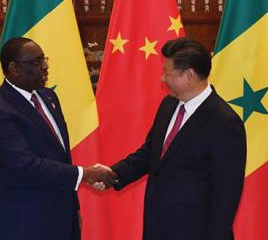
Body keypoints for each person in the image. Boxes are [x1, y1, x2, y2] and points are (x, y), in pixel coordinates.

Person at [95, 37, 246, 240]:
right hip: (158, 226)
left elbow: (226, 196)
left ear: (189, 75)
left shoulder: (225, 122)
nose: (162, 79)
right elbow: (151, 153)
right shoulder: (169, 105)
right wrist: (112, 174)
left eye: (167, 73)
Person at [0, 37, 116, 240]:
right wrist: (84, 174)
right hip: (20, 224)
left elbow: (61, 156)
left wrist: (73, 207)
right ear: (14, 68)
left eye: (44, 60)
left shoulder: (48, 97)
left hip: (59, 219)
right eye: (36, 62)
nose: (45, 67)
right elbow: (25, 165)